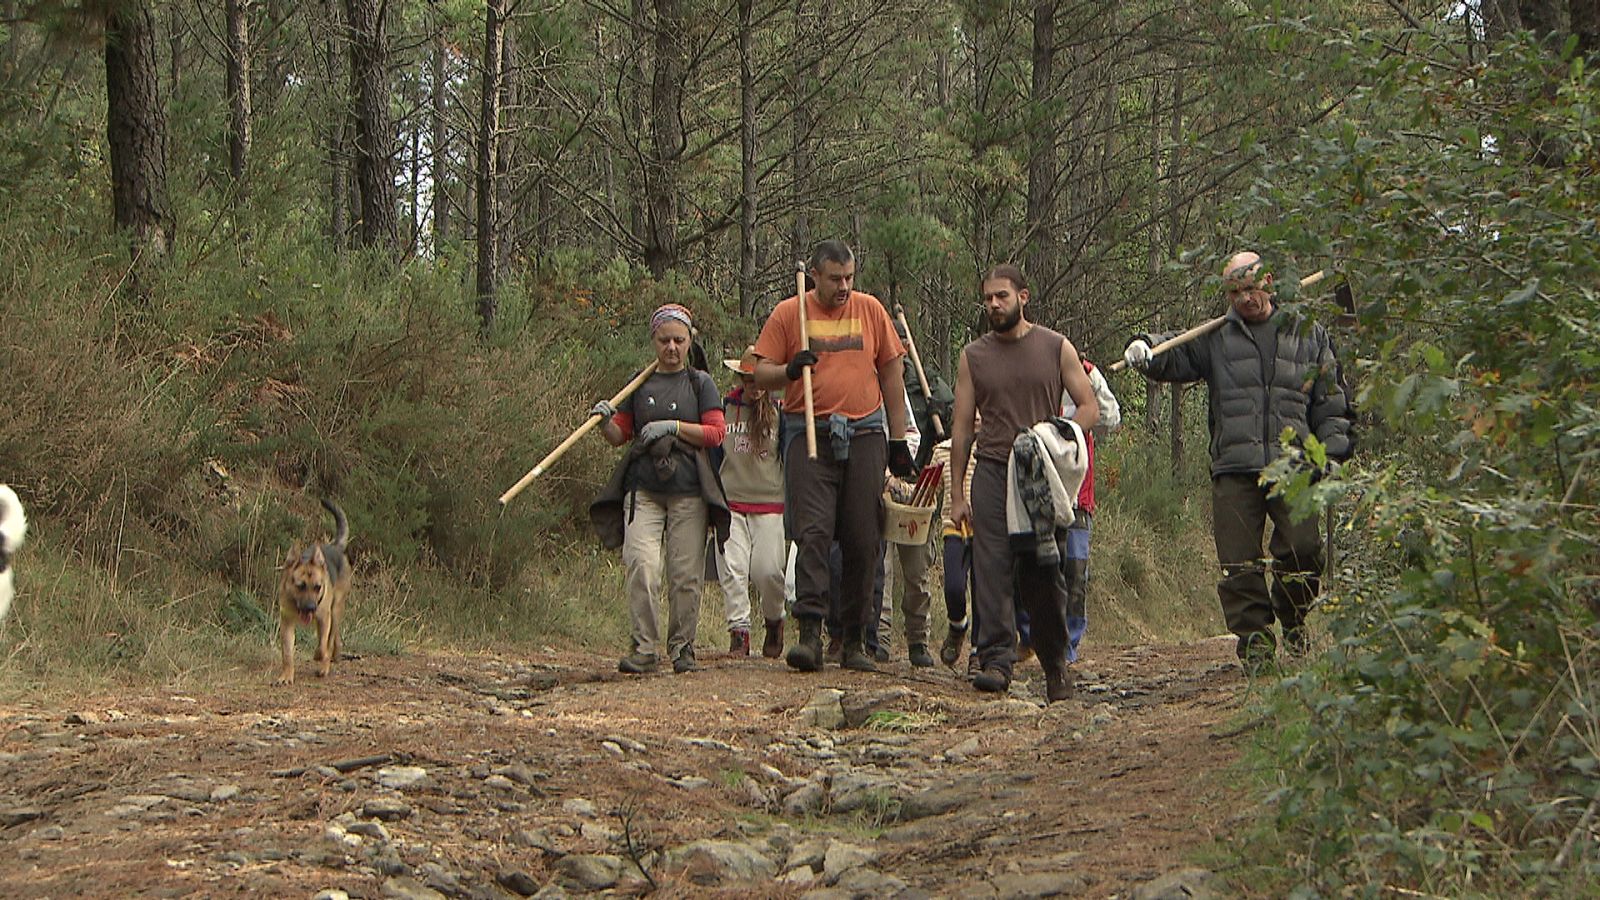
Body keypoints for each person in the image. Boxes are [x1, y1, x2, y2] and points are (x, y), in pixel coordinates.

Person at [1122, 250, 1353, 669]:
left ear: (1268, 282)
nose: (1245, 298)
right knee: (1239, 564)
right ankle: (1257, 650)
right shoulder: (1217, 337)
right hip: (1234, 465)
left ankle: (1294, 617)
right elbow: (1175, 353)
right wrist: (1146, 351)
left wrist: (1333, 454)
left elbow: (1331, 400)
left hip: (1295, 465)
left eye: (1251, 288)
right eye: (1235, 292)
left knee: (1303, 551)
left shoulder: (1308, 333)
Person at [753, 239, 914, 673]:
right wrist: (788, 370)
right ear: (817, 277)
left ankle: (857, 639)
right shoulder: (791, 313)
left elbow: (891, 371)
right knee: (813, 532)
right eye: (835, 279)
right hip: (807, 432)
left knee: (864, 536)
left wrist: (897, 440)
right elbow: (758, 371)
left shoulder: (870, 309)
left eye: (849, 277)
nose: (844, 286)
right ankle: (810, 633)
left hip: (864, 431)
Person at [951, 264, 1098, 702]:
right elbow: (961, 429)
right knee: (991, 568)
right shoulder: (973, 357)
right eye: (988, 298)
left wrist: (1057, 435)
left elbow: (1088, 407)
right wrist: (958, 493)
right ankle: (996, 660)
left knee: (1043, 569)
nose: (994, 304)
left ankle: (1055, 666)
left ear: (1023, 296)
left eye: (1002, 296)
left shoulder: (1055, 347)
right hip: (993, 468)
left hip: (1039, 472)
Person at [589, 304, 728, 675]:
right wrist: (605, 421)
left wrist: (673, 427)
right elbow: (620, 435)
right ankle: (644, 648)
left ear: (689, 341)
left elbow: (716, 433)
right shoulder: (639, 382)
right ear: (654, 340)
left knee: (684, 575)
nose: (671, 348)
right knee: (642, 565)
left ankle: (683, 649)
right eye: (664, 340)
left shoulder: (701, 383)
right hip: (643, 489)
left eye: (679, 341)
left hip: (689, 490)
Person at [715, 346, 787, 658]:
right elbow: (714, 452)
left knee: (768, 571)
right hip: (731, 499)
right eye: (748, 380)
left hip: (770, 501)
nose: (754, 386)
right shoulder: (724, 408)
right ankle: (739, 631)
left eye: (758, 380)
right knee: (733, 568)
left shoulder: (780, 411)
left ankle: (774, 620)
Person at [1059, 357, 1121, 663]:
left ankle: (1069, 645)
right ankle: (1042, 640)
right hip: (1044, 499)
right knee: (1044, 572)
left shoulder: (1087, 388)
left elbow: (1111, 418)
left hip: (1079, 502)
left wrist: (1093, 376)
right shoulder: (1041, 385)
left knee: (1076, 573)